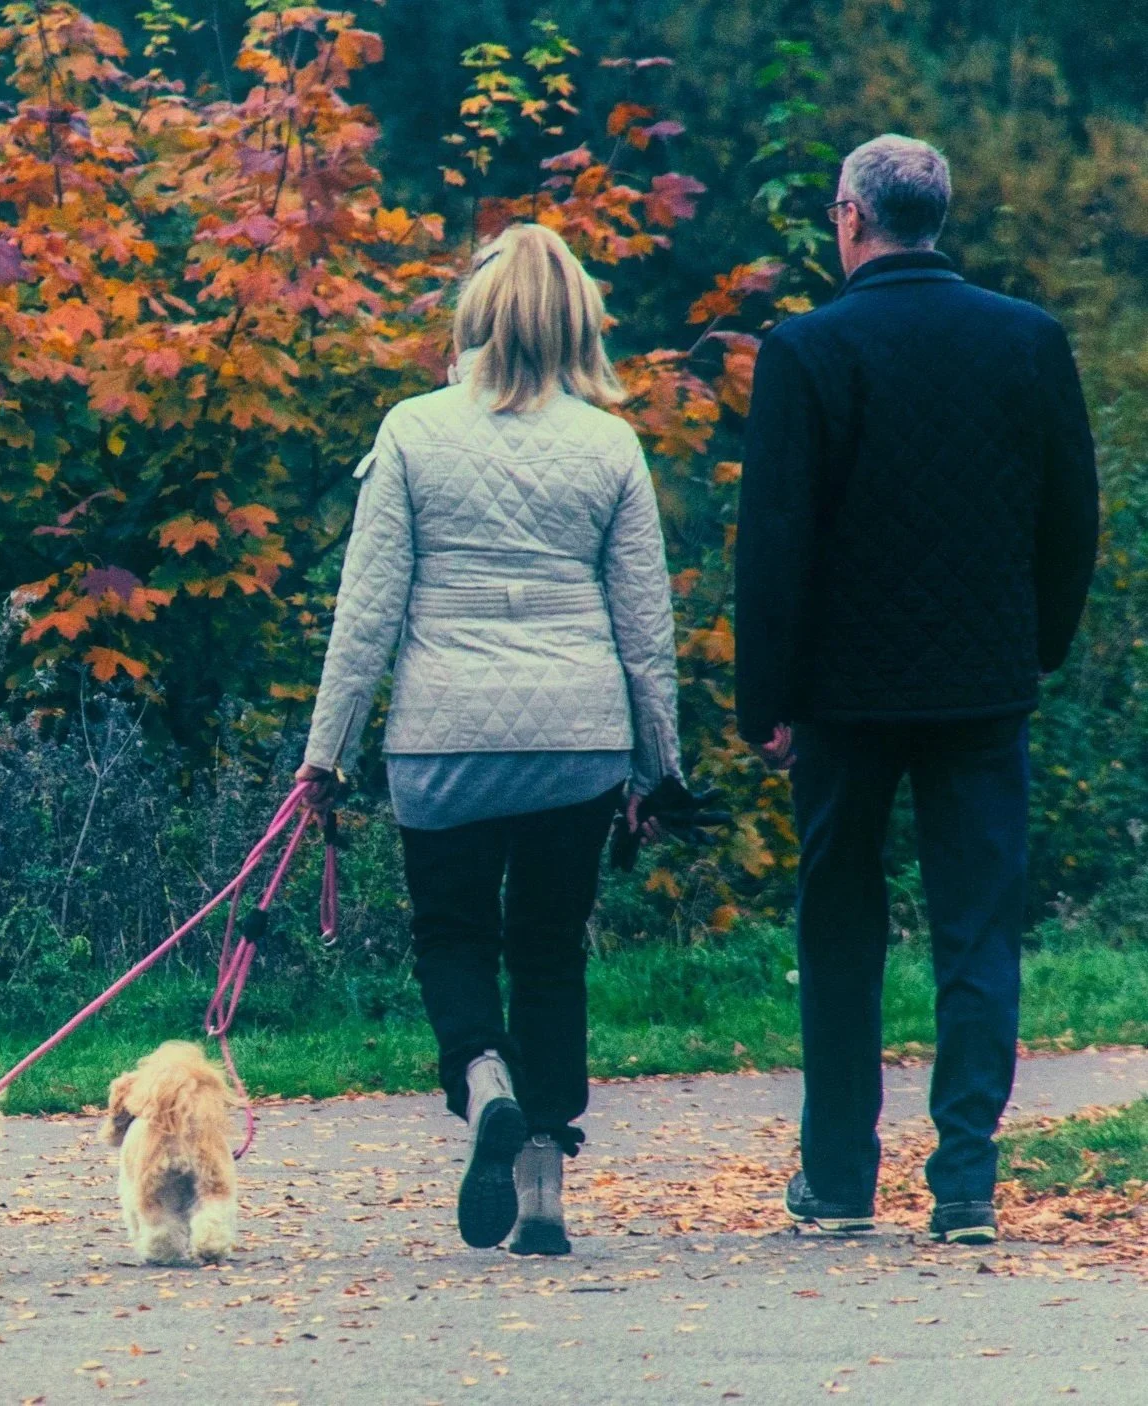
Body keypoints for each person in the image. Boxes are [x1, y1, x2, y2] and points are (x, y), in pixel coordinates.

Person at [735, 134, 1098, 1245]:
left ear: (849, 216)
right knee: (976, 929)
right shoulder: (1026, 340)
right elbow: (1069, 518)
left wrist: (767, 698)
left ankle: (839, 1178)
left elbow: (774, 543)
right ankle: (964, 1181)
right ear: (935, 216)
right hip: (980, 687)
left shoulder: (803, 350)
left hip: (842, 694)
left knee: (839, 925)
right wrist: (1031, 645)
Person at [296, 223, 682, 1254]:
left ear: (471, 318)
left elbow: (365, 612)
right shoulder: (610, 444)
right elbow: (645, 630)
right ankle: (544, 1200)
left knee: (452, 934)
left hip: (443, 738)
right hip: (577, 739)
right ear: (573, 323)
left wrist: (324, 752)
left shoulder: (414, 430)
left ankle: (482, 1079)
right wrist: (659, 767)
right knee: (550, 950)